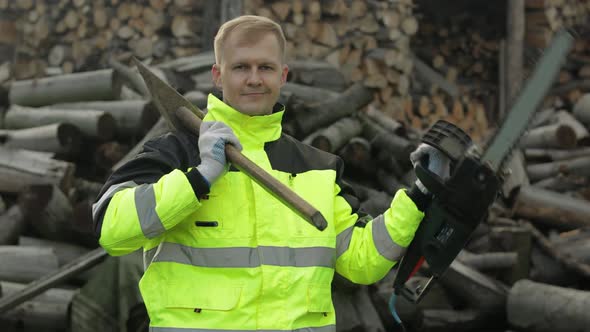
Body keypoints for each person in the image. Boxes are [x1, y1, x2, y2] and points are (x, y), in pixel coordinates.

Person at [92, 15, 450, 332]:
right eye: (240, 68)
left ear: (283, 75)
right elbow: (111, 227)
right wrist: (198, 178)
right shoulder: (176, 152)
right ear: (218, 75)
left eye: (264, 68)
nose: (253, 79)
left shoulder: (317, 167)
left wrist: (419, 194)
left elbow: (361, 262)